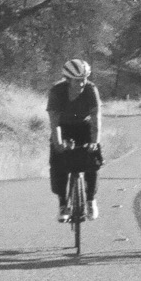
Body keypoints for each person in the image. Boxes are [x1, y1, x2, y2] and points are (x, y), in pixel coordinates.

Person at [46, 58, 103, 221]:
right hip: (63, 127)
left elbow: (95, 117)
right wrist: (58, 144)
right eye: (77, 80)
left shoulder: (91, 90)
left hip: (84, 127)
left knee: (93, 161)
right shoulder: (56, 92)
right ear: (68, 79)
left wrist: (94, 141)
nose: (82, 83)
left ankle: (91, 200)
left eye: (84, 79)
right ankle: (63, 204)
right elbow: (54, 122)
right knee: (58, 163)